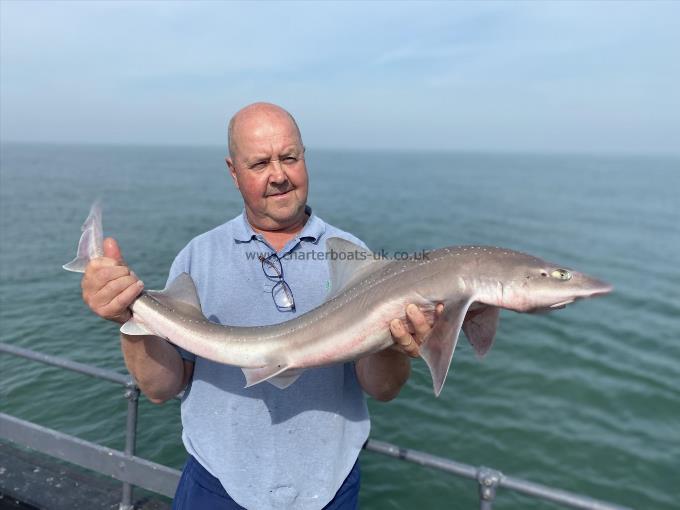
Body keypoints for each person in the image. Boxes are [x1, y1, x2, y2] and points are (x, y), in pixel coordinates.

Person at [81, 103, 441, 509]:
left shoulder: (353, 258)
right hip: (218, 483)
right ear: (233, 172)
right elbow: (161, 388)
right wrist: (126, 316)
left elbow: (382, 388)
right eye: (259, 163)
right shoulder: (198, 257)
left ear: (305, 157)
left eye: (290, 157)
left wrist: (396, 345)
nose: (279, 175)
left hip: (328, 487)